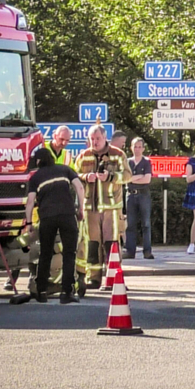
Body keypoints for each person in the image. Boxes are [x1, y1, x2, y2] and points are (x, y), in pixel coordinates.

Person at [23, 147, 85, 304]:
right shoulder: (65, 170)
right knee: (70, 253)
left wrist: (29, 223)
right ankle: (66, 292)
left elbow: (30, 202)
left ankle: (41, 291)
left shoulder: (35, 178)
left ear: (38, 161)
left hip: (47, 217)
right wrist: (81, 209)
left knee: (45, 253)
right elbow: (80, 187)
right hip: (67, 215)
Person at [73, 124, 127, 290]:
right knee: (92, 245)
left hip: (111, 208)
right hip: (91, 208)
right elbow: (74, 176)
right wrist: (84, 176)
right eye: (92, 139)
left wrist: (110, 176)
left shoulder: (118, 155)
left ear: (105, 138)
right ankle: (93, 278)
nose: (94, 142)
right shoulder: (83, 156)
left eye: (97, 139)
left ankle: (114, 278)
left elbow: (127, 175)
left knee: (112, 245)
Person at [124, 137, 154, 260]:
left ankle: (147, 251)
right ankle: (130, 251)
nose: (137, 149)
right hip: (130, 194)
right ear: (131, 148)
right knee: (130, 224)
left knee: (146, 224)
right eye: (135, 146)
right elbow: (125, 179)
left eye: (139, 147)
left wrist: (133, 178)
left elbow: (147, 179)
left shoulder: (146, 162)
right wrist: (138, 177)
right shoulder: (127, 162)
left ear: (143, 148)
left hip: (143, 195)